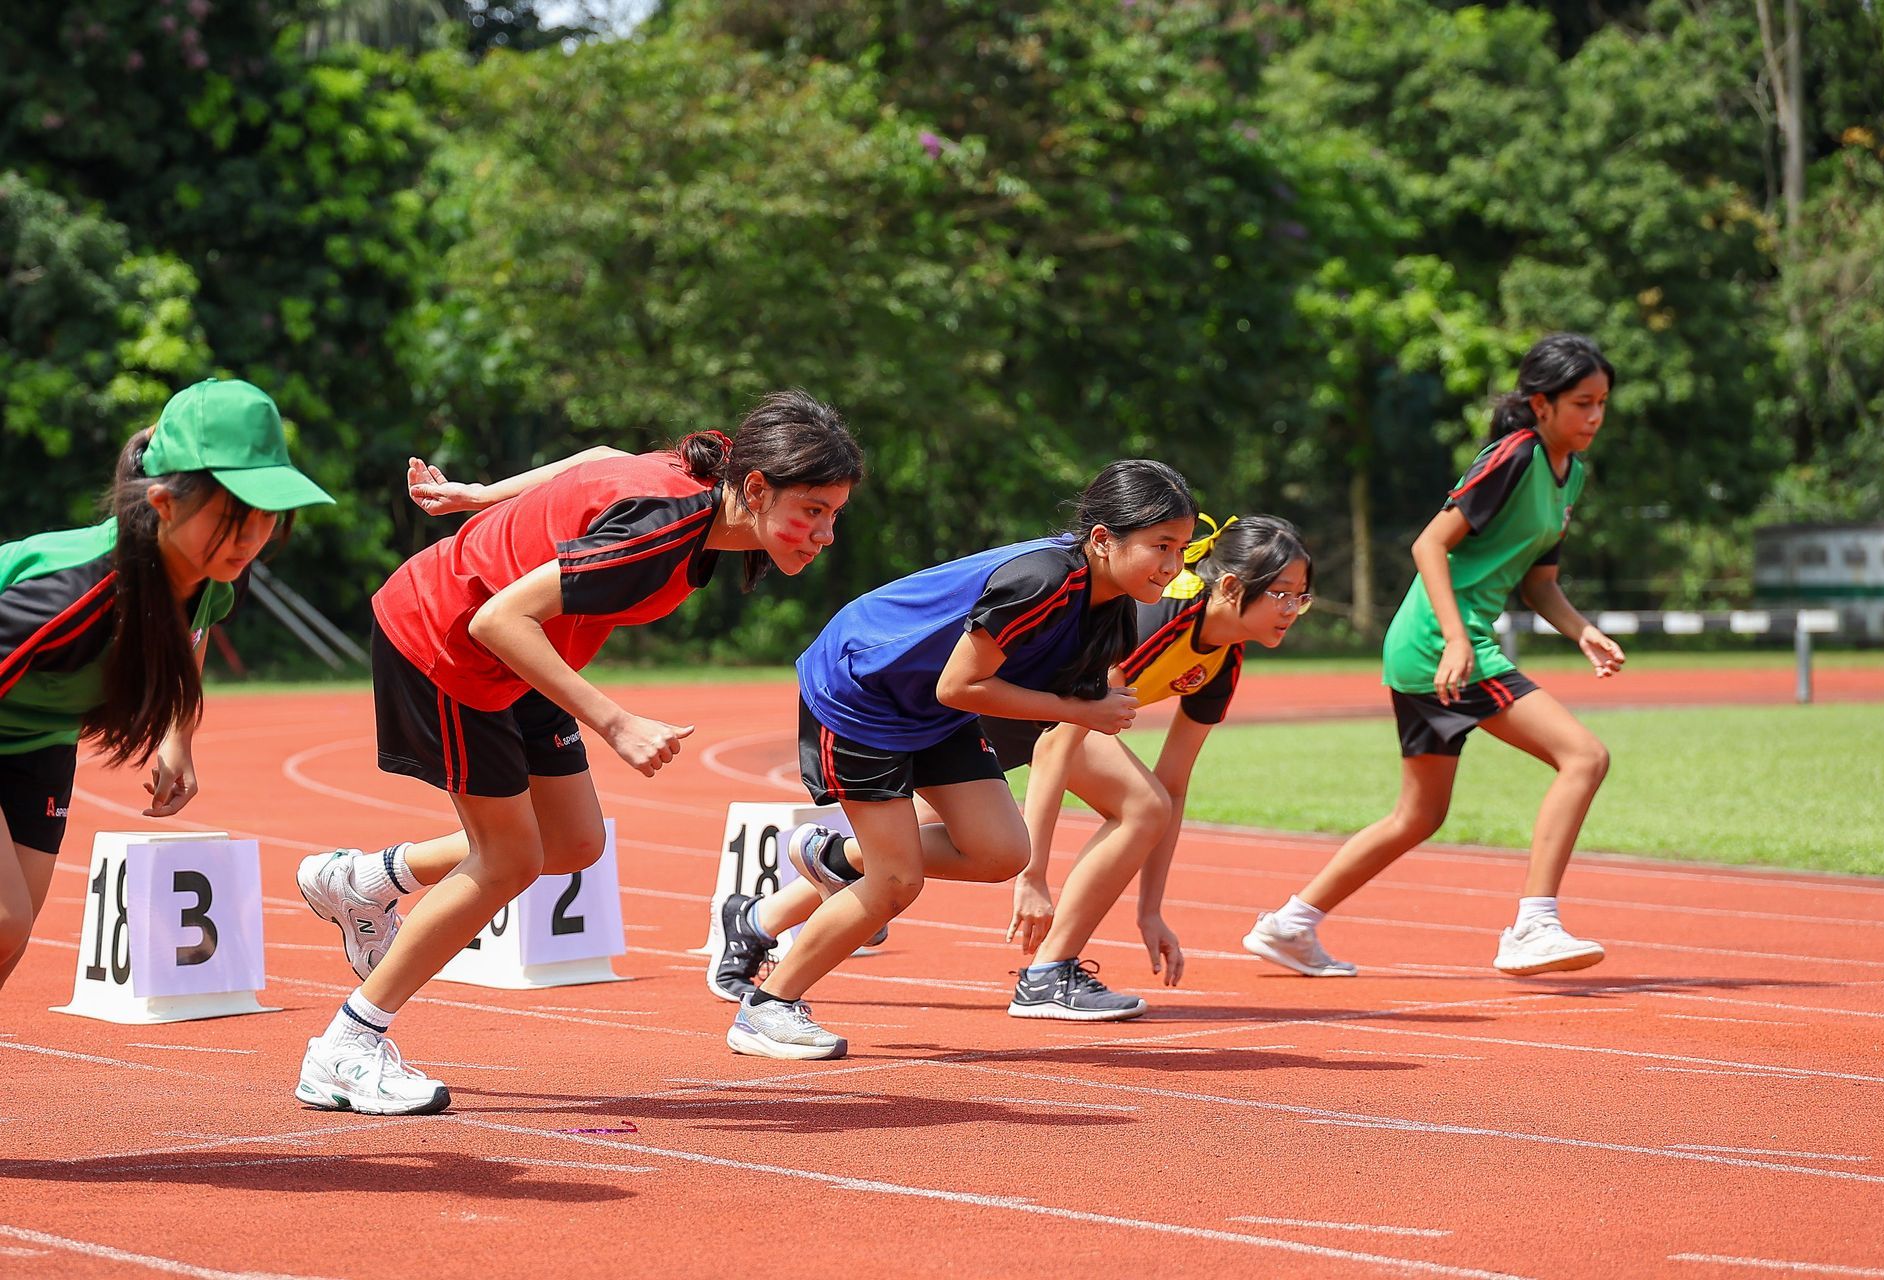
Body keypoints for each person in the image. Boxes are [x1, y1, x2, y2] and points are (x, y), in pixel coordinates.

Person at [293, 390, 861, 1115]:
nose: (824, 534)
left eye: (833, 515)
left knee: (570, 842)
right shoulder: (663, 530)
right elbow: (498, 618)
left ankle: (367, 880)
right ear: (755, 487)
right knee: (507, 859)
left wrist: (479, 496)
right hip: (450, 639)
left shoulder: (700, 472)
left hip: (518, 650)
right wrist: (614, 721)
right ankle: (346, 1046)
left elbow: (599, 461)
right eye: (811, 511)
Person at [712, 459, 1196, 1060]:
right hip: (862, 689)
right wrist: (1078, 711)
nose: (1175, 566)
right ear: (1103, 539)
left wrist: (1075, 709)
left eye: (1183, 548)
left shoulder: (1111, 616)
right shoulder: (1043, 582)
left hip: (932, 708)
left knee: (1000, 851)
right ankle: (768, 1008)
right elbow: (958, 686)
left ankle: (834, 857)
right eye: (1162, 546)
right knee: (896, 882)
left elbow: (1015, 710)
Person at [1243, 333, 1624, 979]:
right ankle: (1533, 925)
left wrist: (1579, 630)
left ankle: (1290, 925)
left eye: (1602, 404)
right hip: (1441, 643)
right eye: (1582, 403)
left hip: (1436, 645)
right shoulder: (1513, 457)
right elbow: (1428, 545)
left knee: (1419, 814)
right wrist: (1454, 638)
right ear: (1540, 404)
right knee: (1583, 756)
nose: (1594, 417)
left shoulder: (1571, 475)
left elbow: (1539, 581)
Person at [0, 378, 333, 989]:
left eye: (267, 516)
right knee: (2, 918)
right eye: (233, 515)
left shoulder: (212, 579)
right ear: (163, 504)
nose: (251, 537)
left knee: (10, 939)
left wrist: (178, 739)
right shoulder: (70, 594)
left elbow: (192, 635)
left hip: (37, 739)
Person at [988, 514, 1313, 1019]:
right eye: (1282, 593)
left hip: (1037, 715)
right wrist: (1031, 875)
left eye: (1302, 596)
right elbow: (1059, 739)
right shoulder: (1157, 617)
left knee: (893, 849)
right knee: (1137, 803)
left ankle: (831, 859)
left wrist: (1150, 910)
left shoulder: (1223, 659)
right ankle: (1048, 976)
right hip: (1006, 701)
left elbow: (1174, 787)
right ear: (1230, 585)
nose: (1293, 609)